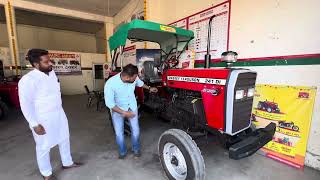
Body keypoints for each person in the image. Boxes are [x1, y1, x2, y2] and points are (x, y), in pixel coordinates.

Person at [18, 49, 82, 180]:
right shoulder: (27, 80)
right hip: (42, 117)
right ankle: (46, 174)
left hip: (59, 113)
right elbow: (25, 104)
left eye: (49, 60)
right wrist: (34, 124)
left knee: (64, 138)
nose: (50, 63)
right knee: (43, 146)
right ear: (36, 64)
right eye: (46, 62)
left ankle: (67, 162)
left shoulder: (51, 72)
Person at [104, 64, 158, 159]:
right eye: (134, 78)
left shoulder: (134, 77)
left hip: (132, 107)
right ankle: (122, 151)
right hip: (118, 110)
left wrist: (149, 88)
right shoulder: (110, 84)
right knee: (119, 133)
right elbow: (110, 104)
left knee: (136, 130)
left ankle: (136, 149)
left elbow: (140, 83)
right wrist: (124, 113)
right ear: (127, 77)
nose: (136, 79)